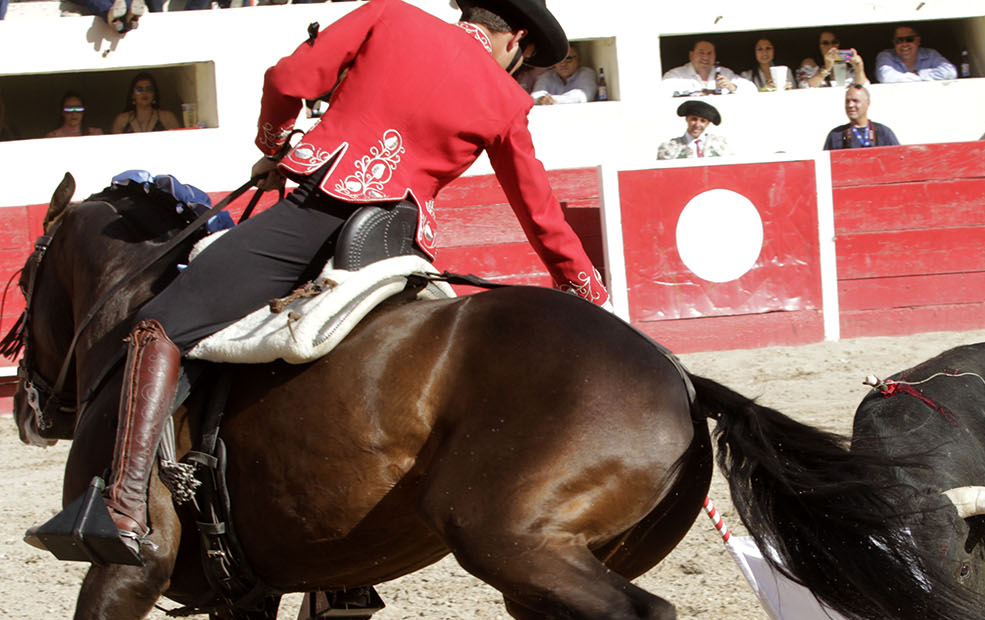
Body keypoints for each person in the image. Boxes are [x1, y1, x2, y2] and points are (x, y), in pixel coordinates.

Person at [53, 0, 610, 564]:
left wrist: (277, 144)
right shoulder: (509, 98)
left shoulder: (390, 16)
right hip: (396, 246)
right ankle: (344, 575)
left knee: (159, 326)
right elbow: (539, 212)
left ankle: (120, 504)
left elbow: (288, 78)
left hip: (317, 214)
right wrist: (589, 293)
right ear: (515, 39)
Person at [660, 39, 754, 96]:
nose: (705, 57)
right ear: (691, 55)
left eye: (710, 53)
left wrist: (732, 87)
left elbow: (752, 89)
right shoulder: (676, 75)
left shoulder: (725, 73)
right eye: (701, 52)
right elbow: (661, 94)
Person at [822, 84, 899, 150]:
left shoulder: (883, 132)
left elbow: (899, 161)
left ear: (867, 103)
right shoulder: (836, 134)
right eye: (847, 101)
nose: (850, 105)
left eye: (855, 101)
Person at [875, 24, 956, 83]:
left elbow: (950, 72)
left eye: (909, 39)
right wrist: (920, 78)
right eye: (899, 40)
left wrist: (919, 73)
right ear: (893, 43)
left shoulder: (930, 54)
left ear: (918, 40)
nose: (904, 44)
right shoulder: (886, 56)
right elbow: (885, 77)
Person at [656, 99, 728, 160]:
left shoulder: (720, 145)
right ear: (687, 119)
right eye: (694, 119)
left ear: (707, 124)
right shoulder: (670, 148)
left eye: (703, 121)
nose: (697, 125)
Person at [111, 72, 181, 134]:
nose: (144, 93)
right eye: (139, 90)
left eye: (149, 89)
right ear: (133, 95)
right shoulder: (122, 120)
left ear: (154, 94)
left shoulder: (167, 118)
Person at [797, 29, 868, 89]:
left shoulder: (849, 63)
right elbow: (804, 87)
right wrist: (826, 68)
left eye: (834, 42)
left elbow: (863, 87)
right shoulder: (810, 63)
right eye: (825, 43)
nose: (831, 46)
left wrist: (859, 70)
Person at [531, 43, 595, 104]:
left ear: (578, 60)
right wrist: (541, 99)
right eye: (559, 60)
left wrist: (553, 100)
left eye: (568, 59)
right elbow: (536, 95)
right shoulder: (547, 76)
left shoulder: (586, 73)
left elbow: (583, 96)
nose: (563, 64)